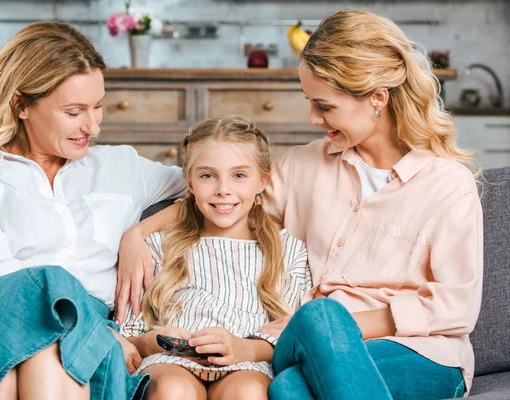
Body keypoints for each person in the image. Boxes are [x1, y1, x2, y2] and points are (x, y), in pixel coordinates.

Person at [115, 9, 483, 400]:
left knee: (302, 359)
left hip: (418, 350)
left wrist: (332, 327)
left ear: (377, 98)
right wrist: (138, 233)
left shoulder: (446, 184)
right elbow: (226, 201)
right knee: (293, 370)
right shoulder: (303, 166)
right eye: (310, 102)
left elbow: (456, 307)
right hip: (305, 345)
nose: (312, 118)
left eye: (324, 106)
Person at [0, 21, 186, 400]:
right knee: (42, 327)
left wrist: (137, 233)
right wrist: (92, 328)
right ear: (21, 105)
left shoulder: (122, 167)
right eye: (74, 112)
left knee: (47, 359)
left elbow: (219, 188)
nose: (93, 125)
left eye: (98, 107)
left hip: (82, 341)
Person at [118, 116, 312, 400]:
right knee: (174, 390)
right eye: (208, 175)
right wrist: (151, 343)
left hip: (248, 360)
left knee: (247, 392)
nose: (223, 189)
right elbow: (127, 332)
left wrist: (245, 348)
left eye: (239, 175)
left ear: (263, 181)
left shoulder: (287, 250)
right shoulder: (159, 245)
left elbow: (291, 333)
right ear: (190, 182)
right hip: (169, 361)